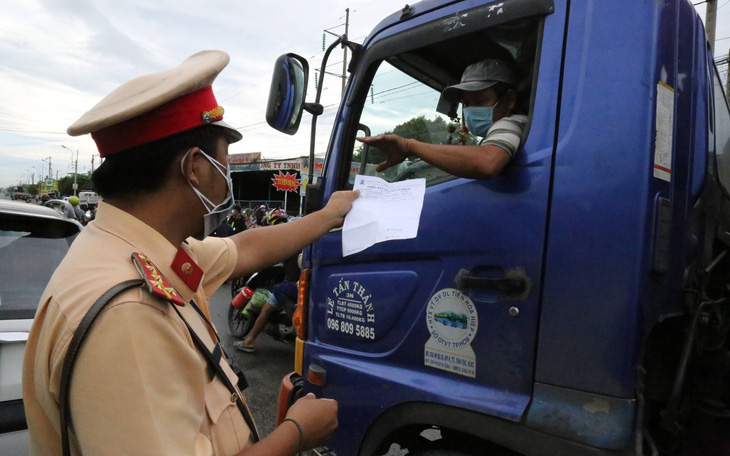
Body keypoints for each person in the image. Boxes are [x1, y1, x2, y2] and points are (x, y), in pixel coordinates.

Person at [22, 50, 358, 456]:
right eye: (225, 164)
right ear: (195, 168)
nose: (228, 179)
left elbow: (244, 247)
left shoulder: (141, 250)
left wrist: (328, 215)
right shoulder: (129, 314)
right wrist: (297, 432)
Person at [357, 58, 528, 179]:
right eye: (466, 103)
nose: (471, 110)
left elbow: (486, 163)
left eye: (481, 101)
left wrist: (410, 146)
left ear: (509, 100)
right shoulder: (497, 133)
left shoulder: (512, 123)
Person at [233, 209, 298, 353]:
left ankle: (249, 341)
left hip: (292, 284)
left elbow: (267, 256)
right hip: (301, 281)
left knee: (266, 308)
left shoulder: (279, 236)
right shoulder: (295, 234)